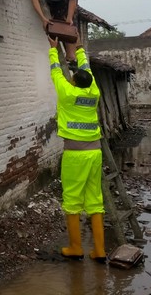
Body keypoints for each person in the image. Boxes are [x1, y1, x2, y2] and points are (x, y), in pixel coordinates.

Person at [47, 36, 106, 263]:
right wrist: (80, 49)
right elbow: (86, 68)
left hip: (75, 154)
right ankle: (99, 251)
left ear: (73, 82)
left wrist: (53, 50)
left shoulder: (68, 94)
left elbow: (55, 71)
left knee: (72, 200)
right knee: (95, 200)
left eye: (71, 79)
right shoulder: (94, 92)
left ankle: (75, 248)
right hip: (95, 153)